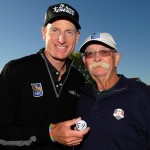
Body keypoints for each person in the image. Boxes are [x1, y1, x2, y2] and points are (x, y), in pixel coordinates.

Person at [0, 3, 89, 150]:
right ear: (43, 33)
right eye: (54, 30)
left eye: (69, 32)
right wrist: (50, 133)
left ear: (77, 37)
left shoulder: (78, 79)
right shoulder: (15, 70)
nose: (62, 39)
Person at [75, 32, 150, 150]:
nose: (97, 58)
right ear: (85, 62)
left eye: (104, 52)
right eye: (90, 54)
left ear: (116, 58)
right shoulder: (80, 95)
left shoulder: (141, 93)